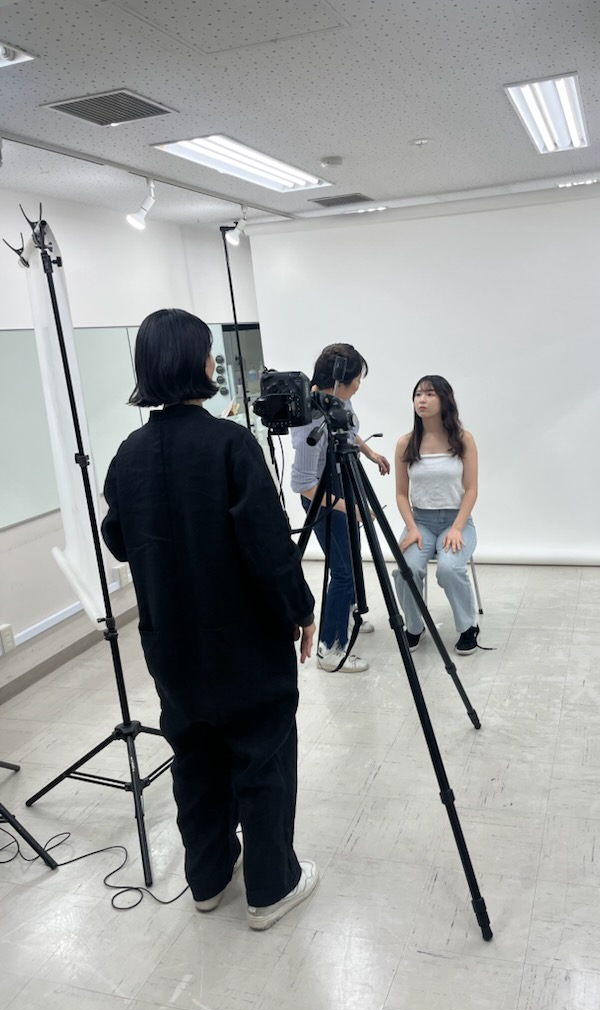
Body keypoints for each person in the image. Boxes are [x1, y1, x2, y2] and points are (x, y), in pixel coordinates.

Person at [101, 308, 318, 931]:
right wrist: (300, 612)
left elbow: (118, 539)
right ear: (195, 362)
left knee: (195, 757)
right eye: (208, 352)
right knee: (262, 754)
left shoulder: (127, 455)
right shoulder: (231, 444)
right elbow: (269, 549)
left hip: (170, 644)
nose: (214, 362)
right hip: (243, 643)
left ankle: (208, 878)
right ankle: (271, 888)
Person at [291, 343, 390, 673]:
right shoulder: (310, 422)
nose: (359, 385)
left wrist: (370, 453)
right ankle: (330, 648)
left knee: (351, 558)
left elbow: (346, 429)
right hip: (321, 496)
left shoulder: (335, 399)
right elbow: (304, 484)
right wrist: (352, 509)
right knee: (344, 571)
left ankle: (346, 613)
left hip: (341, 482)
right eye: (356, 379)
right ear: (338, 381)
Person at [392, 375, 480, 654]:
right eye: (418, 394)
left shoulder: (463, 439)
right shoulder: (406, 443)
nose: (422, 400)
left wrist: (457, 528)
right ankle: (414, 627)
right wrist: (411, 527)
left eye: (430, 394)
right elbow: (401, 494)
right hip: (420, 522)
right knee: (406, 570)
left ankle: (468, 627)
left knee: (449, 568)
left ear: (445, 400)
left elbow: (471, 489)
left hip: (457, 521)